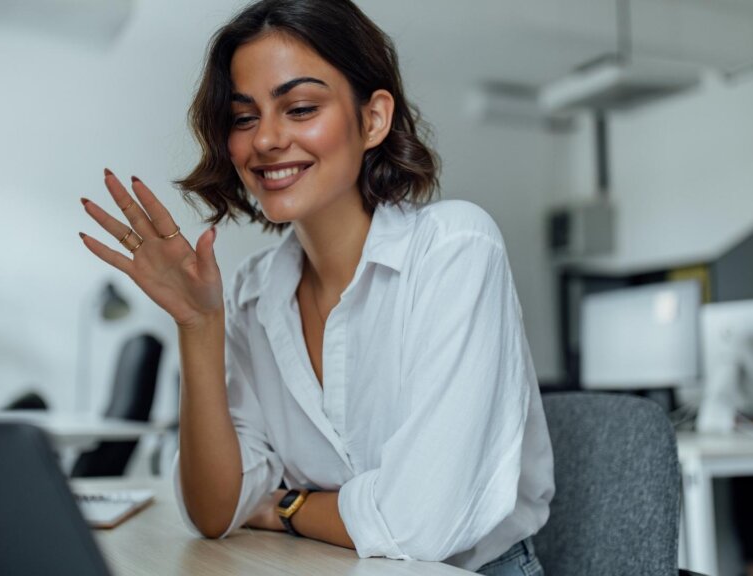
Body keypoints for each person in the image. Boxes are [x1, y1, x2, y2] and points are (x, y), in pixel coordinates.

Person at [78, 1, 554, 573]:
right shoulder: (255, 291)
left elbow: (421, 528)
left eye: (300, 108)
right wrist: (198, 327)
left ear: (373, 119)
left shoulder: (455, 249)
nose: (267, 140)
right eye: (243, 117)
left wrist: (286, 505)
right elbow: (216, 510)